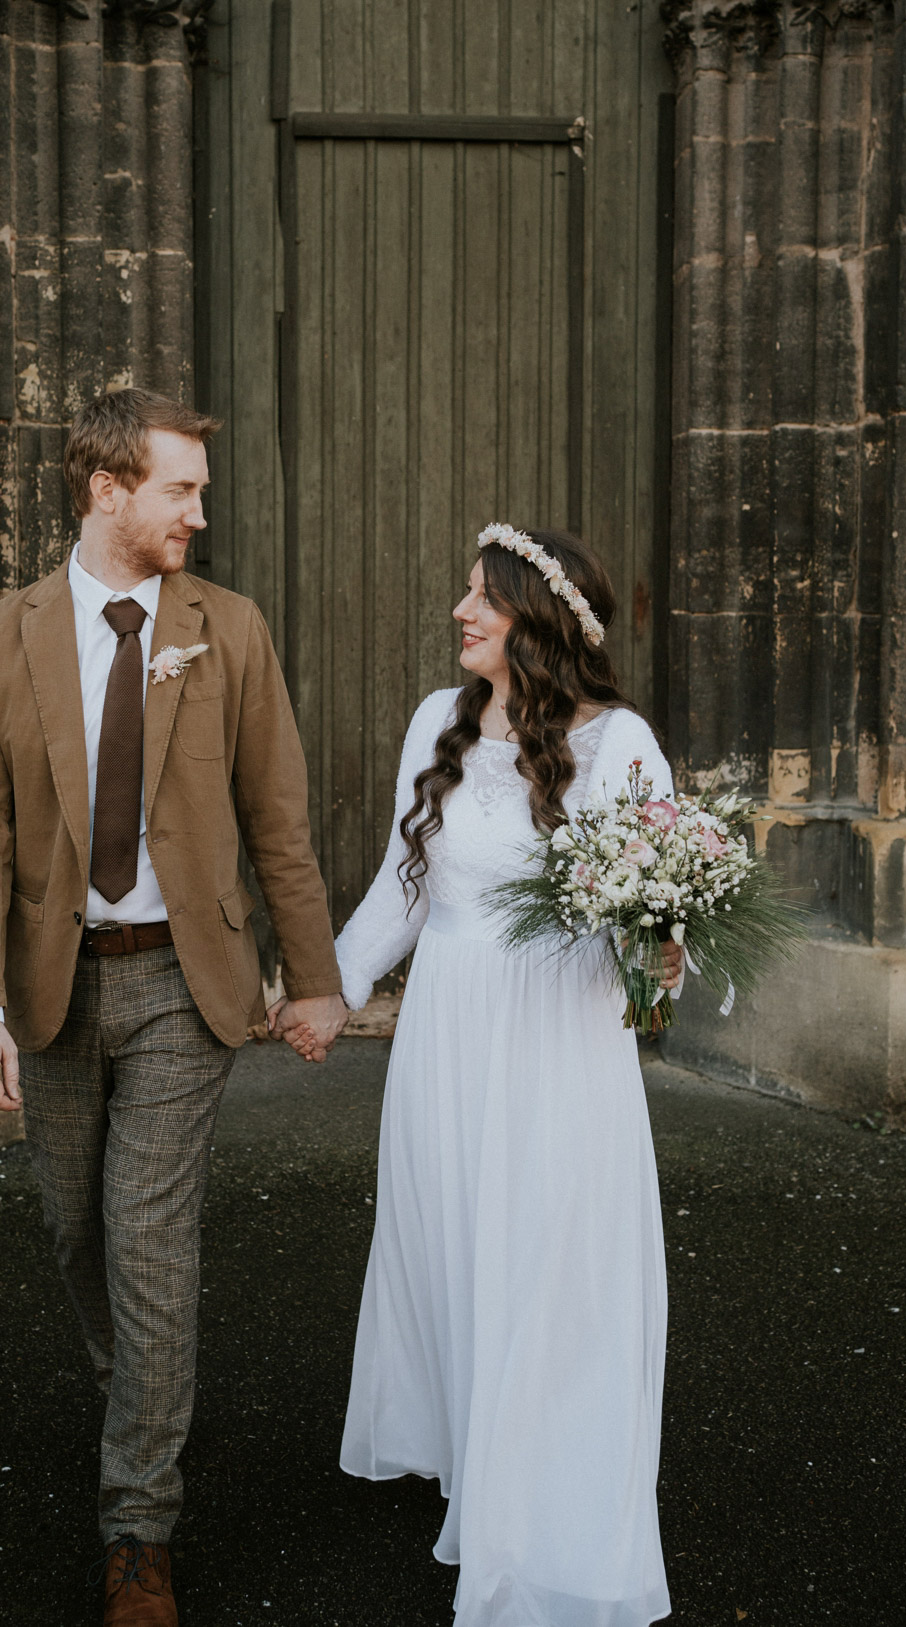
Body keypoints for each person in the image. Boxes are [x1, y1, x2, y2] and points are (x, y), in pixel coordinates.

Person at [0, 388, 347, 1626]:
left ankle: (138, 1528)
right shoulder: (3, 637)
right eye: (180, 490)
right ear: (107, 490)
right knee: (77, 1236)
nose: (199, 515)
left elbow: (279, 812)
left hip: (186, 979)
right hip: (54, 987)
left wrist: (317, 973)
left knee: (149, 1241)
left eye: (200, 492)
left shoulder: (229, 628)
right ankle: (148, 1400)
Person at [275, 524, 680, 1627]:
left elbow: (650, 922)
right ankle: (475, 1445)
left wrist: (665, 951)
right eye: (463, 591)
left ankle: (542, 1497)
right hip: (448, 1029)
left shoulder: (621, 743)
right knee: (455, 1236)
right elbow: (404, 888)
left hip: (554, 1036)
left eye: (481, 598)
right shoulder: (439, 722)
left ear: (538, 622)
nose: (458, 609)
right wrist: (332, 991)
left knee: (546, 1253)